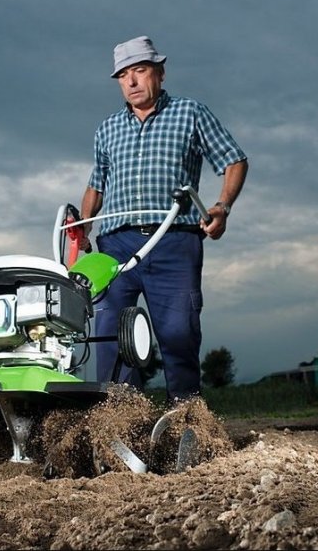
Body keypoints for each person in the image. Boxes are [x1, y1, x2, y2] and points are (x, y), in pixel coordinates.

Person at [80, 35, 248, 401]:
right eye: (123, 75)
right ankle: (123, 420)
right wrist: (81, 231)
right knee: (111, 335)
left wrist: (222, 206)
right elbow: (97, 184)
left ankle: (185, 418)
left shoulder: (190, 113)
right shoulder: (106, 129)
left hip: (173, 240)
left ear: (160, 73)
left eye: (140, 70)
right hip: (115, 245)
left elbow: (234, 159)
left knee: (178, 334)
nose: (132, 81)